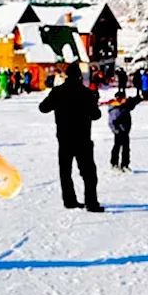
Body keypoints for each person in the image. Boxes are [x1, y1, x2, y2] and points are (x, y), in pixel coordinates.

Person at [39, 62, 104, 212]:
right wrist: (93, 102)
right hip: (82, 138)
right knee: (88, 173)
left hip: (64, 138)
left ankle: (69, 200)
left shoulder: (58, 92)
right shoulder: (86, 93)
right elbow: (96, 115)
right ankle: (91, 203)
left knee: (65, 172)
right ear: (80, 76)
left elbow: (43, 108)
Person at [107, 91, 142, 172]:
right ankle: (114, 164)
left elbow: (132, 103)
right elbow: (111, 121)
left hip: (125, 130)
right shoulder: (114, 107)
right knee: (117, 147)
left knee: (126, 148)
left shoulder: (125, 105)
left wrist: (138, 98)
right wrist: (115, 130)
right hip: (118, 131)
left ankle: (125, 164)